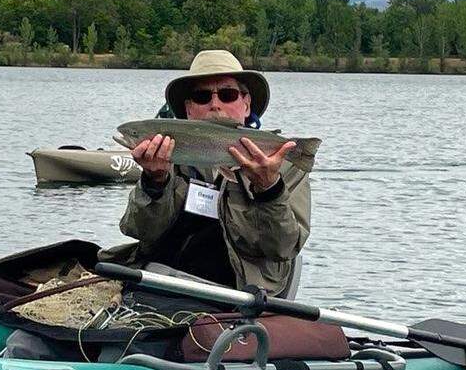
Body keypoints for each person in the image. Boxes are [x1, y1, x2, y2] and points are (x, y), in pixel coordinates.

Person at [101, 50, 312, 297]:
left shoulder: (285, 166)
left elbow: (283, 248)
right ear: (188, 110)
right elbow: (140, 232)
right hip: (164, 278)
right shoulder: (168, 157)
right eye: (202, 97)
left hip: (239, 291)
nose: (215, 104)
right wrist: (154, 182)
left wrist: (268, 190)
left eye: (227, 94)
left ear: (246, 104)